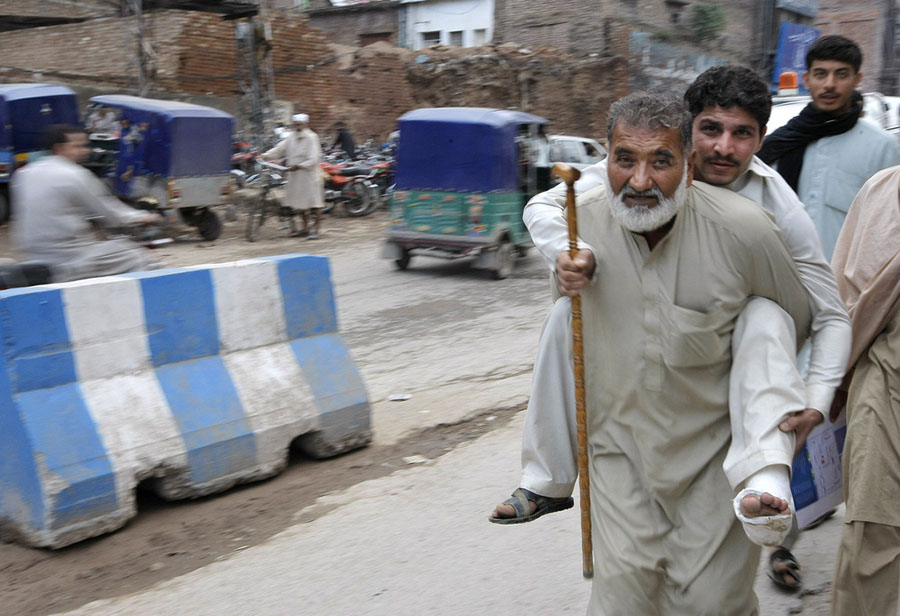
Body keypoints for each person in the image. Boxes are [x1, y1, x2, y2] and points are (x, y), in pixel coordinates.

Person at [492, 66, 852, 586]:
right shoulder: (647, 168)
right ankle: (547, 480)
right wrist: (571, 253)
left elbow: (829, 313)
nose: (723, 148)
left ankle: (765, 478)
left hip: (722, 372)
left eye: (742, 133)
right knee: (564, 316)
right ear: (686, 132)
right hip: (640, 376)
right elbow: (548, 208)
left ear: (761, 138)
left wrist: (818, 397)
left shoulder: (770, 206)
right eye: (710, 129)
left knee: (764, 318)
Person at [829, 166, 900, 616]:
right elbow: (847, 294)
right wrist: (831, 376)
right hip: (886, 378)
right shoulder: (884, 190)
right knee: (873, 531)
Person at [758, 34, 900, 260]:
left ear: (857, 79)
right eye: (820, 74)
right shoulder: (779, 142)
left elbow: (889, 233)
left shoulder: (882, 147)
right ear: (807, 79)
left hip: (844, 288)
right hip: (780, 281)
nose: (829, 84)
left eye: (841, 74)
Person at [11, 124, 160, 283]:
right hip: (70, 258)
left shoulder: (23, 174)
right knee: (137, 256)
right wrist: (145, 217)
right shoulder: (74, 174)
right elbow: (111, 212)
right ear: (59, 149)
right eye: (78, 146)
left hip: (33, 256)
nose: (85, 151)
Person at [261, 113, 324, 239]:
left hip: (309, 175)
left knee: (315, 203)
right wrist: (264, 155)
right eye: (296, 125)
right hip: (295, 176)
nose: (298, 127)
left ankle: (317, 231)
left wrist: (299, 166)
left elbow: (313, 159)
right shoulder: (291, 137)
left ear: (306, 124)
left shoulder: (312, 137)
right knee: (300, 204)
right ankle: (304, 229)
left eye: (300, 125)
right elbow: (279, 149)